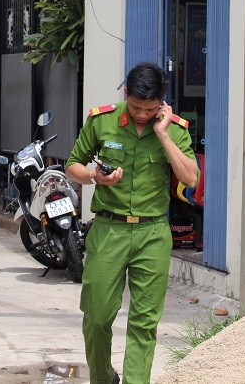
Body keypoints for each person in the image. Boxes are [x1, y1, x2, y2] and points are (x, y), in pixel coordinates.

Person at [65, 62, 199, 384]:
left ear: (161, 103)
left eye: (149, 109)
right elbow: (73, 166)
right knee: (96, 317)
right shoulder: (103, 120)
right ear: (127, 95)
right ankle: (103, 377)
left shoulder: (175, 128)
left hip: (152, 233)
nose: (141, 114)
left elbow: (191, 177)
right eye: (136, 107)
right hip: (109, 230)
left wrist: (163, 134)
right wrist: (96, 177)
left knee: (144, 322)